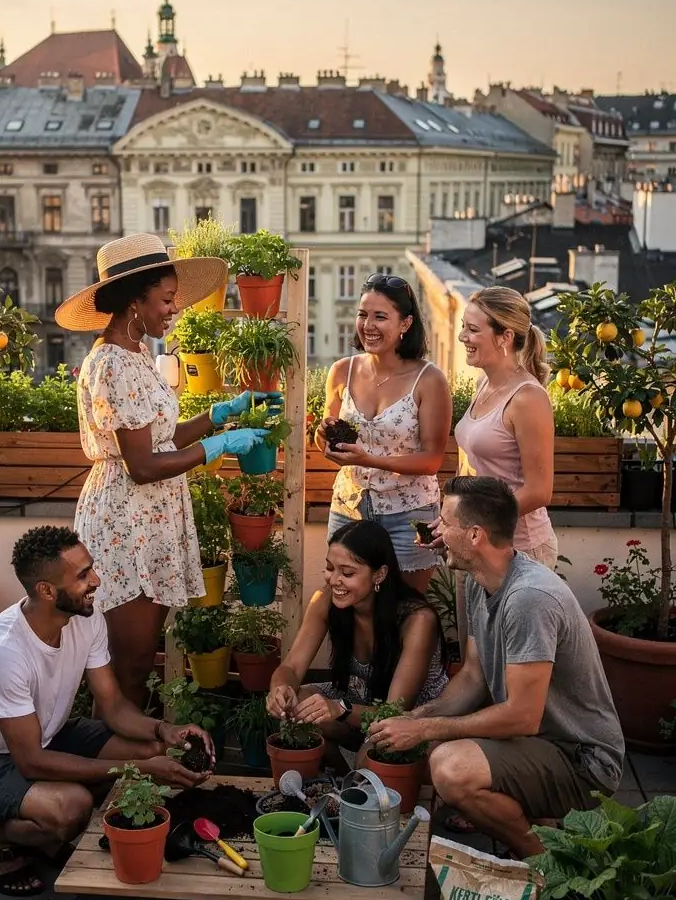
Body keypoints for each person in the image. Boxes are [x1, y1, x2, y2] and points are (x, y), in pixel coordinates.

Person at [0, 526, 215, 897]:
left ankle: (48, 834)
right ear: (47, 591)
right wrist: (139, 771)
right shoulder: (4, 653)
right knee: (72, 807)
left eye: (91, 569)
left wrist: (165, 730)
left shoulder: (85, 619)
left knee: (152, 748)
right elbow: (31, 761)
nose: (96, 580)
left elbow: (113, 705)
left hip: (48, 735)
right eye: (83, 575)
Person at [56, 234, 271, 705]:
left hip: (147, 514)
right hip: (126, 519)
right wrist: (218, 446)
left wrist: (217, 415)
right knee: (127, 666)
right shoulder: (112, 363)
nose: (175, 310)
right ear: (135, 300)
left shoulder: (138, 354)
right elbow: (143, 466)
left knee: (138, 659)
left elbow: (158, 440)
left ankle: (127, 763)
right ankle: (120, 768)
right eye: (167, 300)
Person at [367, 477, 624, 859]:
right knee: (430, 749)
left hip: (583, 759)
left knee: (451, 768)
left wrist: (423, 729)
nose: (436, 530)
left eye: (444, 522)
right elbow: (473, 676)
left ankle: (550, 865)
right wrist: (416, 717)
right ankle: (541, 824)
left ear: (474, 535)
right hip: (540, 743)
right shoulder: (478, 580)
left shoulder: (528, 599)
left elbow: (522, 717)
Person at [315, 273, 451, 593]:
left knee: (406, 609)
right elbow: (325, 438)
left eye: (380, 316)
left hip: (410, 516)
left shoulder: (429, 379)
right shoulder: (341, 371)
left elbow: (432, 460)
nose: (368, 325)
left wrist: (370, 459)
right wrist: (323, 437)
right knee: (345, 601)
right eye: (363, 314)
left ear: (405, 324)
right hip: (349, 506)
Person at [266, 520, 447, 758]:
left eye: (348, 572)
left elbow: (396, 710)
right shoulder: (325, 600)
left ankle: (354, 780)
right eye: (330, 568)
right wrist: (280, 691)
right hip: (355, 706)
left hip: (406, 723)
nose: (334, 580)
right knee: (298, 707)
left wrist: (339, 709)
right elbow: (291, 666)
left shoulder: (417, 619)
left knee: (378, 745)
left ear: (379, 574)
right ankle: (339, 780)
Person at [454, 286, 556, 568]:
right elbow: (470, 466)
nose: (463, 336)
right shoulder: (483, 383)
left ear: (505, 337)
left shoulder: (528, 398)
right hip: (474, 543)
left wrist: (473, 523)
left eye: (473, 329)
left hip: (518, 551)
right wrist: (452, 521)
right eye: (464, 326)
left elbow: (539, 491)